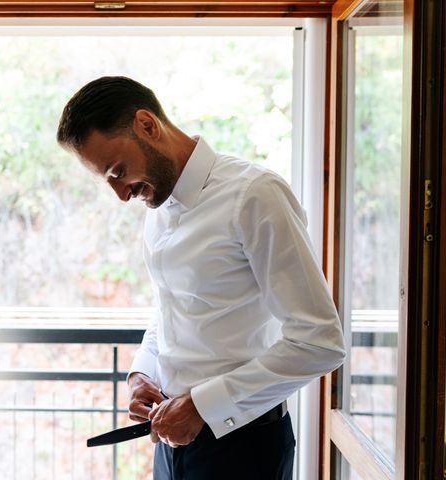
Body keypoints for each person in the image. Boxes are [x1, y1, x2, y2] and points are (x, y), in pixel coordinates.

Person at [57, 76, 346, 479]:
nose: (122, 195)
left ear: (147, 125)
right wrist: (144, 372)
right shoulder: (156, 211)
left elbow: (321, 342)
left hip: (243, 451)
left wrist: (201, 405)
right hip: (171, 444)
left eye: (119, 171)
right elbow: (172, 311)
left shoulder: (255, 195)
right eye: (110, 182)